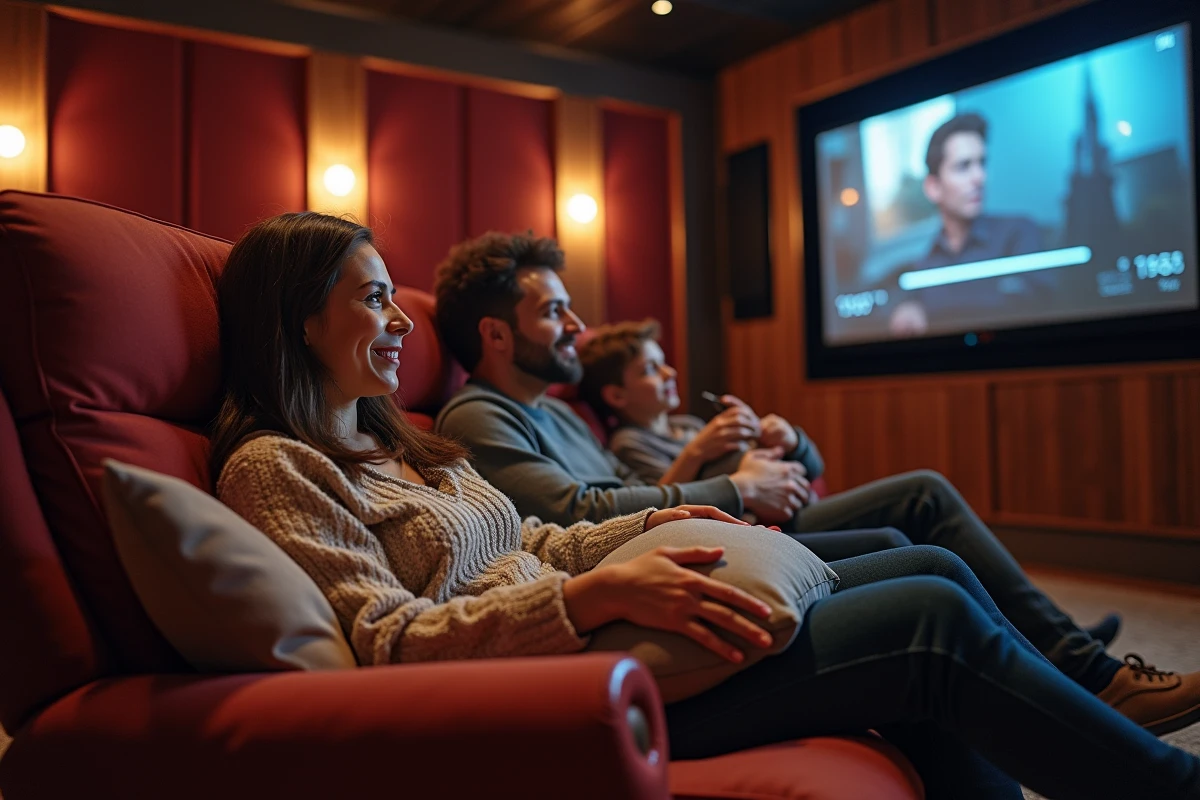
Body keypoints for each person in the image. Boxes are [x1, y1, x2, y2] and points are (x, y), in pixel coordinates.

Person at [209, 212, 1200, 799]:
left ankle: (1090, 704)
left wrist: (655, 525)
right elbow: (384, 642)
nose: (397, 322)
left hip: (604, 622)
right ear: (297, 318)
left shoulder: (402, 440)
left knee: (929, 564)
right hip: (556, 680)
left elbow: (544, 530)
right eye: (372, 298)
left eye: (396, 299)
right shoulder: (276, 468)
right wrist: (587, 602)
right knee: (931, 623)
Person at [432, 229, 1200, 728]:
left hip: (705, 536)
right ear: (496, 334)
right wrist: (736, 490)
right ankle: (1086, 679)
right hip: (681, 565)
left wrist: (765, 463)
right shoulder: (477, 415)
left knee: (916, 531)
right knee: (921, 518)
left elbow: (620, 496)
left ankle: (1074, 672)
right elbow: (576, 513)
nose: (576, 328)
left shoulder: (558, 412)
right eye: (554, 314)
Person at [889, 112, 1052, 337]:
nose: (979, 177)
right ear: (933, 187)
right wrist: (908, 308)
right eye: (963, 166)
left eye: (982, 163)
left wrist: (930, 310)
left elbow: (1037, 302)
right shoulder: (923, 265)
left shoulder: (1020, 232)